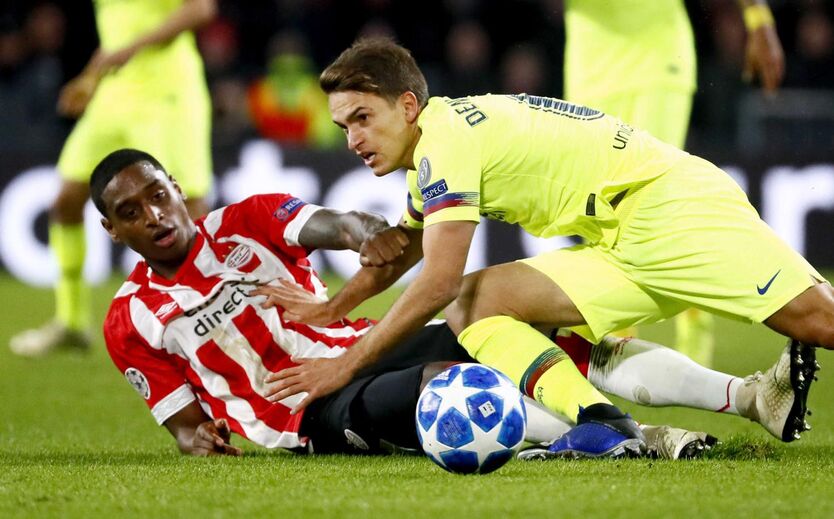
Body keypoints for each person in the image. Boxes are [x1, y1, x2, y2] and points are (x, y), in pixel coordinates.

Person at [261, 38, 831, 458]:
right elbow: (407, 249)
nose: (353, 139)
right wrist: (332, 309)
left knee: (819, 321)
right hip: (618, 240)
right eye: (344, 126)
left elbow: (434, 282)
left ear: (408, 106)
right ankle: (602, 422)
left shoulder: (446, 144)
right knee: (477, 303)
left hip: (668, 208)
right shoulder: (435, 149)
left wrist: (344, 366)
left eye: (363, 118)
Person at [94, 148, 812, 459]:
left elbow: (332, 224)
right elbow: (183, 425)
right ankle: (631, 437)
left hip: (359, 349)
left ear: (176, 187)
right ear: (112, 229)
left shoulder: (244, 222)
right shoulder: (131, 320)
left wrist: (365, 233)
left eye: (158, 194)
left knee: (531, 332)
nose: (154, 215)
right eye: (131, 211)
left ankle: (751, 398)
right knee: (449, 387)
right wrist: (198, 436)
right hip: (309, 413)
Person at [563, 0, 785, 366]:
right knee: (595, 213)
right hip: (591, 72)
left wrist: (759, 19)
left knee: (650, 201)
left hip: (657, 62)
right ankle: (616, 349)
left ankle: (694, 331)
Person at [10, 0, 217, 357]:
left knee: (187, 207)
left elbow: (201, 10)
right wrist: (91, 76)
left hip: (166, 94)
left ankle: (212, 319)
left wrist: (129, 50)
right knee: (66, 201)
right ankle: (72, 322)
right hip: (114, 97)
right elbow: (119, 34)